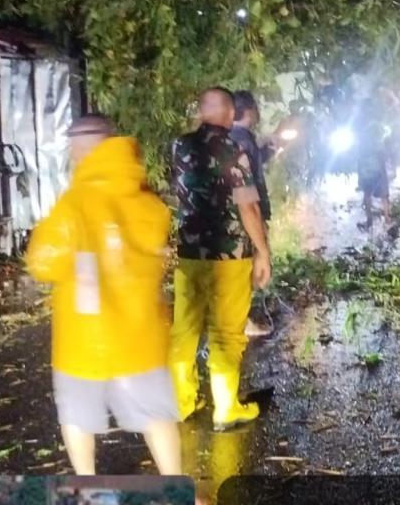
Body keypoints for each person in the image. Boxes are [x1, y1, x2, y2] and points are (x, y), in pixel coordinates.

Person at [25, 115, 181, 475]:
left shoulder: (76, 201)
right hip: (140, 334)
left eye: (73, 141)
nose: (71, 150)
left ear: (84, 145)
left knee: (78, 416)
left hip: (85, 340)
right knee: (156, 414)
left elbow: (42, 262)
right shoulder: (145, 199)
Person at [168, 87, 272, 431]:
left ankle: (182, 402)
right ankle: (225, 408)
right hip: (229, 255)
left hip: (189, 254)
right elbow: (248, 206)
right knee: (226, 332)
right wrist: (262, 251)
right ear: (229, 114)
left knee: (184, 330)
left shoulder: (179, 146)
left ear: (201, 113)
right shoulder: (233, 149)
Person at [230, 90, 275, 339]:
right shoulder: (243, 139)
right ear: (249, 110)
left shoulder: (235, 137)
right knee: (251, 264)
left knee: (243, 267)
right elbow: (252, 185)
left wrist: (269, 149)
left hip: (232, 217)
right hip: (246, 213)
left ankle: (237, 314)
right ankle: (240, 319)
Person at [357, 116, 394, 226]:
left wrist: (360, 177)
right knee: (384, 196)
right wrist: (385, 176)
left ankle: (369, 220)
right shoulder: (379, 144)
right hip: (378, 172)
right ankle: (387, 218)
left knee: (367, 195)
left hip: (366, 174)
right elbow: (382, 159)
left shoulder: (362, 145)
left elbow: (359, 161)